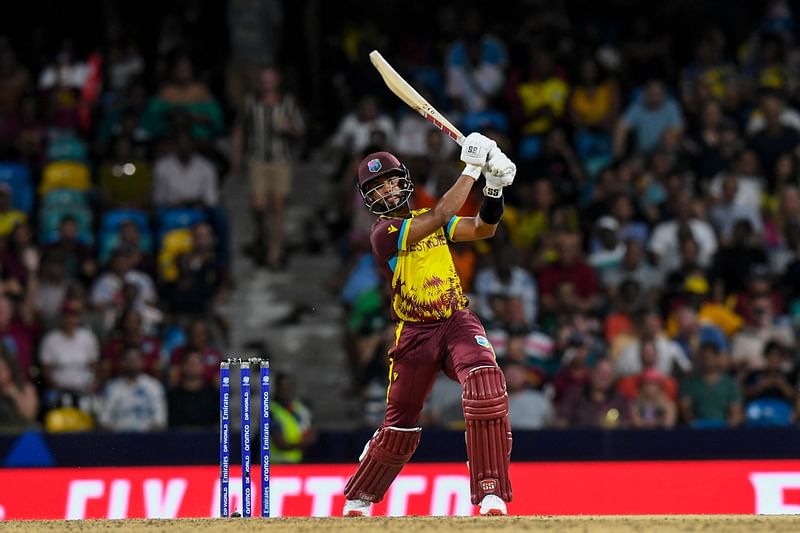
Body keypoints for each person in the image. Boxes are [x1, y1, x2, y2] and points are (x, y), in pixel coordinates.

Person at [342, 132, 516, 517]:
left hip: (455, 320)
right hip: (414, 333)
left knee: (486, 382)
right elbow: (440, 215)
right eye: (376, 187)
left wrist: (495, 187)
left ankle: (490, 490)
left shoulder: (429, 219)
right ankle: (362, 494)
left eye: (389, 180)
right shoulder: (382, 234)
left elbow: (483, 228)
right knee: (400, 425)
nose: (386, 190)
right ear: (367, 198)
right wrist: (471, 169)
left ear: (403, 180)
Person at [232, 66, 305, 269]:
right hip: (257, 159)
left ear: (277, 81)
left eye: (270, 80)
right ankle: (261, 235)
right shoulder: (250, 103)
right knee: (259, 205)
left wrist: (288, 128)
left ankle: (275, 251)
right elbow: (240, 129)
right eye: (263, 80)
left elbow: (300, 129)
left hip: (281, 161)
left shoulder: (287, 103)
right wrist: (237, 158)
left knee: (278, 207)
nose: (266, 84)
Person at [98, 345, 167, 432]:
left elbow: (160, 421)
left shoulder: (154, 386)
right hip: (118, 438)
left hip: (147, 438)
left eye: (136, 360)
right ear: (122, 362)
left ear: (143, 361)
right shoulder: (111, 388)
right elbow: (103, 420)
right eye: (128, 360)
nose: (132, 363)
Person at [270, 372, 316, 463]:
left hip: (297, 461)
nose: (286, 390)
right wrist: (303, 443)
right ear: (276, 388)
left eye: (288, 386)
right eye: (282, 387)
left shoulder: (300, 409)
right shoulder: (270, 410)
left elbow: (312, 433)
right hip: (276, 463)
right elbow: (280, 444)